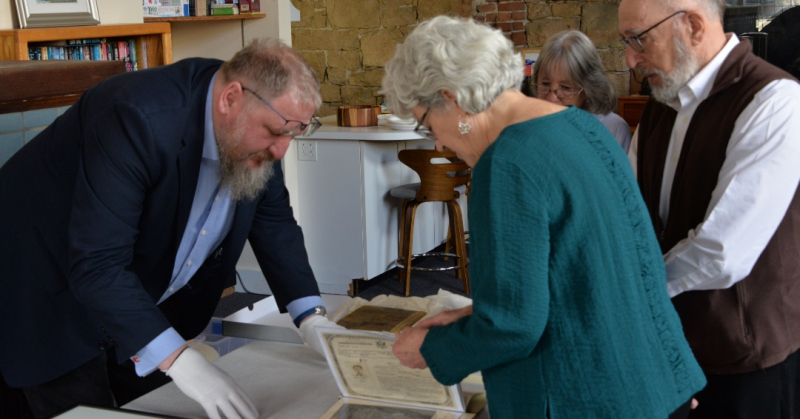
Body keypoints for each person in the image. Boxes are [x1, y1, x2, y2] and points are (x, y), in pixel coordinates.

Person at [382, 16, 706, 418]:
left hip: (586, 396)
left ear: (452, 99)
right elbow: (624, 266)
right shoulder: (585, 128)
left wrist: (431, 350)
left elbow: (512, 327)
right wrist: (474, 313)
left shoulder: (506, 162)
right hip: (654, 383)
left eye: (427, 123)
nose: (438, 143)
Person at [0, 38, 341, 419]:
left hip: (129, 288)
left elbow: (274, 222)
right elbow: (97, 264)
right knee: (83, 409)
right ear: (230, 99)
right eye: (276, 131)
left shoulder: (256, 128)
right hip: (44, 280)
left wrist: (311, 317)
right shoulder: (137, 117)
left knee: (150, 401)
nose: (281, 150)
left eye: (294, 132)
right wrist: (179, 359)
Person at [618, 0, 800, 417]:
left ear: (694, 26)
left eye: (639, 40)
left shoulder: (775, 100)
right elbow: (626, 211)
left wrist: (628, 291)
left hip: (747, 361)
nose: (630, 59)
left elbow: (722, 252)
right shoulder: (661, 102)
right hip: (673, 349)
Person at [531, 30, 632, 152]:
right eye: (545, 84)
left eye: (566, 87)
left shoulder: (612, 129)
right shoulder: (527, 128)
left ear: (588, 89)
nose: (551, 98)